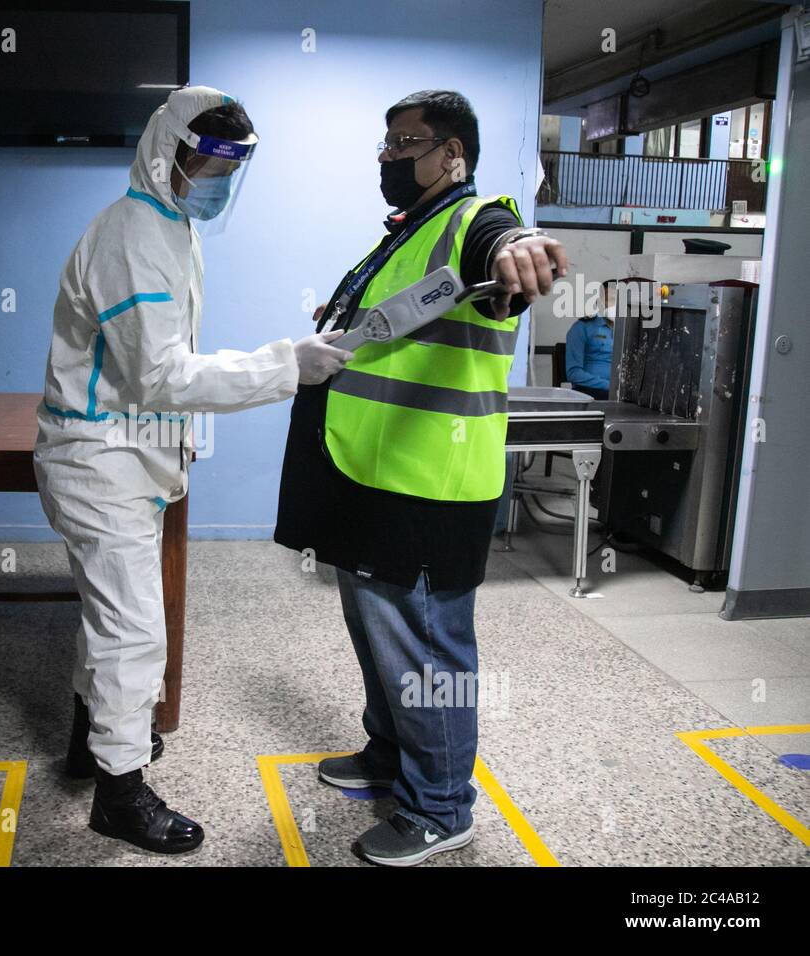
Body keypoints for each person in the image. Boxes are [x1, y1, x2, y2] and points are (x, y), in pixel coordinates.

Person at [34, 86, 350, 854]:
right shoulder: (134, 236)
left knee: (111, 616)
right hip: (100, 459)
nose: (214, 182)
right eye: (204, 164)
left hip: (125, 453)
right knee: (134, 632)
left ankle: (92, 742)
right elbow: (162, 377)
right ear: (164, 151)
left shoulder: (169, 225)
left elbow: (154, 370)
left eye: (225, 170)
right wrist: (287, 366)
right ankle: (118, 793)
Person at [274, 90, 568, 866]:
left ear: (452, 155)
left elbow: (506, 249)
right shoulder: (407, 235)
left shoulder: (475, 223)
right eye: (385, 147)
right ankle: (387, 755)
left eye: (405, 145)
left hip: (428, 487)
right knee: (379, 636)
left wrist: (519, 249)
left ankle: (441, 807)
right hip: (367, 473)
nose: (389, 160)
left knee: (429, 653)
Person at [565, 278, 615, 399]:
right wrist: (611, 387)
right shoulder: (582, 328)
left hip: (623, 394)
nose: (615, 305)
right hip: (591, 392)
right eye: (610, 300)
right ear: (599, 302)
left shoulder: (629, 331)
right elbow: (574, 373)